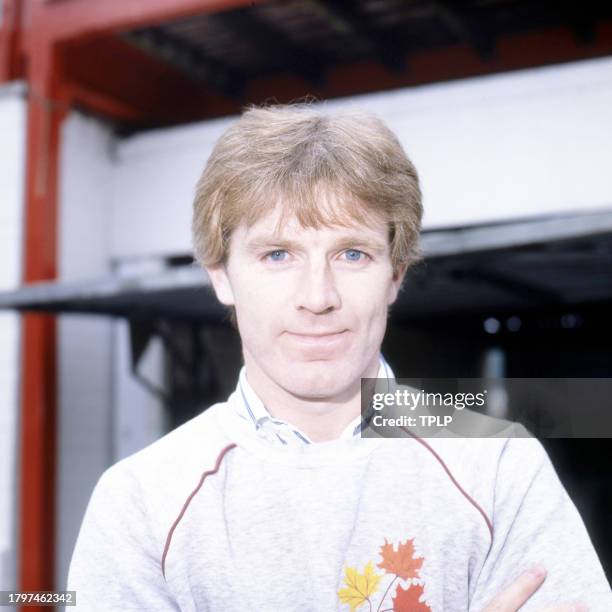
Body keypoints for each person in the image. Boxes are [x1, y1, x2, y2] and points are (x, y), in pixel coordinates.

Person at [67, 104, 611, 611]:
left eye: (353, 254)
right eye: (278, 255)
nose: (318, 296)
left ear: (394, 274)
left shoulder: (497, 468)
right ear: (220, 275)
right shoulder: (142, 500)